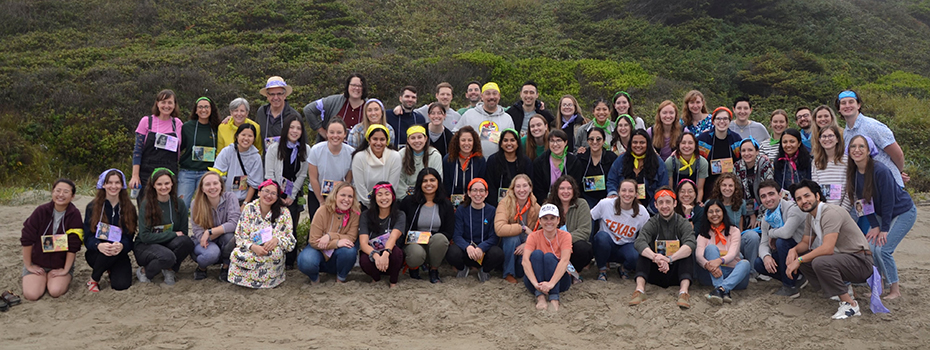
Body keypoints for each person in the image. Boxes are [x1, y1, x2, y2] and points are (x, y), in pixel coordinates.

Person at [784, 180, 874, 319]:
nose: (804, 201)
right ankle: (841, 291)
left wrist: (799, 260)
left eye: (807, 196)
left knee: (819, 262)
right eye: (799, 199)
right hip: (843, 259)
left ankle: (850, 304)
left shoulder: (830, 213)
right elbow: (805, 243)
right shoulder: (811, 216)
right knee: (804, 256)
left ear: (817, 196)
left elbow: (827, 248)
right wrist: (794, 251)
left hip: (860, 261)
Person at [846, 135, 916, 300]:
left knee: (883, 249)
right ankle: (879, 286)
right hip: (879, 215)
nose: (857, 150)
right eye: (853, 147)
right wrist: (874, 226)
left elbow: (888, 201)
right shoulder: (854, 173)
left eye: (861, 146)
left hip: (902, 211)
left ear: (869, 150)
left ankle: (894, 288)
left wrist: (883, 229)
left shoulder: (880, 170)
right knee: (870, 248)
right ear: (848, 152)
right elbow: (862, 202)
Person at [628, 188, 695, 309]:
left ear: (675, 203)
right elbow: (639, 241)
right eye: (661, 202)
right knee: (643, 252)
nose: (665, 206)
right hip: (656, 269)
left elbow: (690, 243)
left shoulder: (682, 222)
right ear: (655, 205)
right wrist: (655, 258)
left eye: (668, 202)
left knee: (687, 254)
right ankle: (640, 290)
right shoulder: (652, 222)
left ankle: (684, 292)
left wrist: (669, 259)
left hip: (676, 270)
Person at [21, 179, 83, 301]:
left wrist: (65, 269)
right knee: (31, 295)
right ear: (52, 192)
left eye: (66, 192)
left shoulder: (74, 214)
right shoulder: (41, 211)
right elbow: (27, 238)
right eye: (58, 190)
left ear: (72, 196)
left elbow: (74, 245)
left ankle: (53, 278)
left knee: (55, 291)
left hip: (60, 264)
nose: (61, 195)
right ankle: (40, 278)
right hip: (38, 262)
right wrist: (29, 265)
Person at [227, 180, 296, 288]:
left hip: (271, 249)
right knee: (237, 253)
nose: (269, 196)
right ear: (259, 192)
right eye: (266, 191)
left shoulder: (284, 212)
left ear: (277, 197)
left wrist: (277, 240)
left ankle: (267, 282)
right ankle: (243, 280)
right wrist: (253, 247)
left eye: (273, 193)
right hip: (251, 247)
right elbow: (240, 236)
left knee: (273, 254)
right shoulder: (249, 208)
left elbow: (290, 239)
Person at [264, 115, 310, 268]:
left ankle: (290, 261)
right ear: (286, 129)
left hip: (292, 195)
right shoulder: (274, 148)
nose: (295, 131)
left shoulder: (306, 149)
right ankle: (270, 256)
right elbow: (269, 174)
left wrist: (291, 196)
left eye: (298, 128)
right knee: (272, 224)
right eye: (292, 127)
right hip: (273, 193)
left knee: (289, 226)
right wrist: (278, 196)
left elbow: (302, 175)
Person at [134, 168, 194, 285]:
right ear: (153, 185)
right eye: (159, 184)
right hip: (145, 246)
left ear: (172, 183)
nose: (163, 187)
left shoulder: (179, 203)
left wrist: (173, 236)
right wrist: (172, 234)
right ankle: (144, 271)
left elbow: (183, 232)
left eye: (167, 183)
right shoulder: (146, 204)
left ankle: (169, 269)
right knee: (167, 257)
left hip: (166, 243)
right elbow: (145, 236)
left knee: (187, 242)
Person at [838, 90, 907, 187]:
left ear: (858, 105)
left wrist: (899, 172)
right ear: (839, 109)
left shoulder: (872, 126)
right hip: (869, 186)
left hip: (888, 184)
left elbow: (897, 153)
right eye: (843, 103)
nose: (847, 105)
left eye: (851, 102)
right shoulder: (846, 132)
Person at [83, 170, 137, 292]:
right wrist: (99, 245)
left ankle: (110, 270)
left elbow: (130, 237)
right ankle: (94, 279)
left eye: (117, 183)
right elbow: (87, 238)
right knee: (106, 251)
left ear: (122, 185)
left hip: (119, 253)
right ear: (103, 184)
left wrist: (122, 245)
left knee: (121, 285)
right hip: (97, 253)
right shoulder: (92, 207)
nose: (113, 186)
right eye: (109, 183)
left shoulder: (129, 208)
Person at [297, 182, 361, 283]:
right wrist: (336, 243)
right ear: (335, 196)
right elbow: (313, 241)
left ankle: (341, 278)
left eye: (350, 196)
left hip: (338, 252)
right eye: (343, 195)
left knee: (349, 251)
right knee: (306, 260)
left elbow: (351, 237)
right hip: (318, 250)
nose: (346, 199)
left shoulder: (355, 214)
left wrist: (330, 236)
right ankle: (314, 278)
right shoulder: (322, 211)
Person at [129, 89, 185, 200]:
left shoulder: (178, 124)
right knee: (146, 209)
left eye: (170, 102)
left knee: (167, 210)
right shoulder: (146, 121)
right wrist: (135, 176)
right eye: (163, 102)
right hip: (146, 173)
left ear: (174, 105)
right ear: (157, 104)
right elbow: (137, 151)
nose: (166, 105)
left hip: (170, 174)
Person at [754, 180, 806, 297]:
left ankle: (789, 286)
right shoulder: (766, 217)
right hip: (787, 256)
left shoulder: (793, 208)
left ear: (779, 194)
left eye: (771, 194)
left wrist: (771, 233)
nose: (768, 199)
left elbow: (786, 233)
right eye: (763, 196)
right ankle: (796, 278)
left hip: (804, 252)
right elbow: (763, 244)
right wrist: (766, 257)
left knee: (782, 242)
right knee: (759, 263)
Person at [401, 168, 454, 283]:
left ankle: (433, 270)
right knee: (416, 254)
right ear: (420, 183)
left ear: (438, 182)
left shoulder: (446, 204)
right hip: (414, 242)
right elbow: (402, 225)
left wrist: (429, 237)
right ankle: (413, 268)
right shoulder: (409, 201)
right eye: (425, 181)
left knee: (440, 239)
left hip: (434, 243)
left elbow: (449, 231)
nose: (429, 184)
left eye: (432, 180)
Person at [591, 179, 650, 281]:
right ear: (618, 192)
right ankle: (602, 270)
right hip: (606, 244)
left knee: (636, 255)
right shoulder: (605, 204)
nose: (627, 194)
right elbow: (590, 218)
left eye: (631, 191)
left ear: (636, 194)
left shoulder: (642, 212)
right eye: (624, 190)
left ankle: (624, 268)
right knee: (601, 237)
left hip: (626, 246)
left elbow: (648, 233)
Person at [695, 199, 751, 305]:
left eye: (717, 211)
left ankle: (720, 290)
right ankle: (721, 289)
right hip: (711, 275)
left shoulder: (734, 231)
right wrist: (708, 265)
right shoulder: (703, 234)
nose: (714, 214)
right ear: (706, 215)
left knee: (745, 263)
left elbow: (733, 253)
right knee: (711, 248)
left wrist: (719, 261)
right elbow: (698, 255)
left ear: (723, 213)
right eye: (710, 212)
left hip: (734, 276)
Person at [447, 178, 503, 282]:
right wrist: (467, 247)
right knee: (452, 252)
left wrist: (481, 248)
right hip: (467, 252)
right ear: (469, 192)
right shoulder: (461, 209)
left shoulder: (492, 210)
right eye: (474, 190)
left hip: (483, 253)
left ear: (486, 193)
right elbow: (457, 235)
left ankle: (484, 271)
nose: (478, 194)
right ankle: (463, 268)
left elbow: (494, 237)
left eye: (481, 191)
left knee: (497, 253)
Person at [189, 171, 240, 281]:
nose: (212, 187)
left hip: (222, 238)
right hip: (204, 241)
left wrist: (210, 231)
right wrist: (207, 235)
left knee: (231, 237)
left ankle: (226, 267)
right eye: (207, 184)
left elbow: (235, 223)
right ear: (202, 188)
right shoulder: (195, 203)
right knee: (211, 254)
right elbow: (198, 231)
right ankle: (201, 268)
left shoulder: (230, 197)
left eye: (215, 183)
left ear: (221, 185)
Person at [522, 203, 574, 311]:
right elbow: (525, 261)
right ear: (540, 221)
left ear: (558, 220)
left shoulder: (565, 236)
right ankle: (540, 297)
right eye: (545, 218)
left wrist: (551, 284)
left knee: (549, 257)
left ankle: (554, 298)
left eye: (552, 218)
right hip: (536, 280)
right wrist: (536, 284)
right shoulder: (533, 236)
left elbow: (565, 261)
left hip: (559, 281)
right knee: (537, 254)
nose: (549, 222)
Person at [606, 129, 669, 214]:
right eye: (635, 142)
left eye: (642, 142)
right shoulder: (621, 160)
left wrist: (651, 210)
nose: (638, 145)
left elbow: (663, 187)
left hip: (650, 210)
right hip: (623, 208)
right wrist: (613, 195)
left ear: (648, 144)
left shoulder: (657, 162)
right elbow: (612, 180)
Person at [357, 182, 406, 288]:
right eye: (379, 194)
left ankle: (393, 281)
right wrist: (375, 255)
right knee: (364, 259)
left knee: (397, 253)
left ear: (393, 196)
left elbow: (394, 236)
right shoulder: (366, 215)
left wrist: (386, 253)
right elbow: (363, 243)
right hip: (374, 253)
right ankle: (376, 279)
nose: (384, 198)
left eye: (387, 194)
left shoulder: (400, 215)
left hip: (390, 253)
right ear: (374, 198)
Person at [494, 174, 540, 283]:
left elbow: (540, 233)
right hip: (508, 246)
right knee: (513, 238)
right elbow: (499, 228)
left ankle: (522, 271)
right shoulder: (505, 203)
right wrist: (522, 228)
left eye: (525, 186)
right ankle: (508, 273)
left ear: (530, 188)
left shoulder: (537, 207)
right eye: (518, 186)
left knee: (521, 272)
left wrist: (527, 243)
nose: (521, 190)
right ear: (513, 189)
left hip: (526, 244)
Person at [307, 118, 355, 221]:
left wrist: (341, 198)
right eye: (332, 132)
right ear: (327, 134)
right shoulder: (316, 150)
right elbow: (313, 178)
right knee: (318, 224)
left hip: (340, 195)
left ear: (345, 134)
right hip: (317, 193)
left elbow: (348, 179)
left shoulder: (351, 152)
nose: (335, 136)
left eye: (339, 132)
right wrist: (321, 201)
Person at [178, 97, 220, 209]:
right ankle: (181, 227)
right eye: (200, 107)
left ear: (211, 109)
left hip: (207, 172)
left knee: (206, 206)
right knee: (182, 205)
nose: (203, 110)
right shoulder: (187, 127)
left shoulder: (218, 127)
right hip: (187, 172)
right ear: (196, 110)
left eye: (206, 107)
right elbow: (179, 148)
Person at [547, 176, 593, 276]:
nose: (565, 191)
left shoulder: (582, 204)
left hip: (573, 246)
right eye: (562, 188)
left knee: (584, 248)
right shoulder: (548, 205)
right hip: (553, 246)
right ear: (556, 190)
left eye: (569, 188)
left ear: (574, 190)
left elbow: (584, 231)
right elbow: (541, 229)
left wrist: (565, 241)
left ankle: (573, 273)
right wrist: (556, 242)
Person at [454, 82, 514, 158]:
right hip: (474, 162)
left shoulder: (507, 118)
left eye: (495, 94)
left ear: (499, 96)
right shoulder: (469, 115)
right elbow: (455, 134)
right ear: (482, 96)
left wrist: (487, 134)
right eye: (488, 94)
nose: (491, 97)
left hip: (499, 163)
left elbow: (513, 142)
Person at [351, 124, 402, 209]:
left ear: (387, 141)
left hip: (387, 203)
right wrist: (371, 205)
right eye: (375, 139)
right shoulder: (359, 157)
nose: (378, 143)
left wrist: (382, 202)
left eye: (382, 139)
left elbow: (392, 186)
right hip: (363, 204)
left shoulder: (395, 157)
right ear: (369, 140)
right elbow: (359, 186)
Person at [211, 123, 263, 205]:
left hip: (243, 200)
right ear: (237, 136)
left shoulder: (256, 157)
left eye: (250, 136)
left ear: (254, 139)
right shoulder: (227, 151)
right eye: (243, 135)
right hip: (224, 198)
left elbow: (254, 184)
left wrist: (245, 204)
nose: (246, 138)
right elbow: (217, 174)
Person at [696, 107, 742, 195]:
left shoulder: (736, 139)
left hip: (730, 186)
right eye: (718, 118)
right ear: (713, 121)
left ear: (730, 121)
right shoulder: (703, 139)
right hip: (708, 185)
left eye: (725, 119)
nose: (722, 121)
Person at [304, 73, 368, 136]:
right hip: (331, 145)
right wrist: (322, 132)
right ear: (348, 86)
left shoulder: (370, 106)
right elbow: (308, 109)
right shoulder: (334, 101)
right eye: (353, 85)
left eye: (360, 86)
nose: (356, 88)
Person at [531, 129, 581, 204]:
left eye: (558, 140)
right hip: (545, 202)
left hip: (568, 202)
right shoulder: (539, 162)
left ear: (565, 142)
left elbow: (576, 186)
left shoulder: (574, 162)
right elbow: (538, 189)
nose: (555, 144)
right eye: (552, 141)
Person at [442, 126, 487, 207]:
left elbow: (481, 183)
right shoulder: (448, 159)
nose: (466, 143)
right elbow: (446, 184)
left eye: (470, 140)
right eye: (463, 140)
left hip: (474, 201)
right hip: (451, 203)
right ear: (458, 142)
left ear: (474, 142)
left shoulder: (480, 160)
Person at [486, 128, 532, 207]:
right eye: (505, 140)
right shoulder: (492, 160)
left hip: (521, 204)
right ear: (501, 143)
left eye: (512, 140)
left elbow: (530, 185)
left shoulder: (526, 161)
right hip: (497, 205)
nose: (509, 143)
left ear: (518, 143)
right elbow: (490, 186)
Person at [254, 76, 301, 151]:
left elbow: (302, 143)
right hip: (266, 160)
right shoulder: (261, 112)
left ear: (284, 95)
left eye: (279, 94)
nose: (276, 98)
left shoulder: (294, 115)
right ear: (267, 96)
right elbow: (252, 131)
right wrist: (231, 120)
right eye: (272, 94)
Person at [734, 138, 774, 225]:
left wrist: (760, 217)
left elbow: (769, 191)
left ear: (757, 151)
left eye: (750, 150)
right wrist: (751, 214)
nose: (746, 153)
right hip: (746, 208)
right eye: (743, 151)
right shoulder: (737, 167)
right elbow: (738, 193)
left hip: (766, 205)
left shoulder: (765, 164)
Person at [397, 124, 443, 200]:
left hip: (428, 196)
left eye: (419, 137)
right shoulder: (400, 155)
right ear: (408, 140)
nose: (417, 141)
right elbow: (399, 180)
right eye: (413, 138)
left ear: (425, 138)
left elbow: (438, 179)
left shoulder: (434, 155)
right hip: (406, 198)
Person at [577, 127, 618, 208]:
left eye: (598, 139)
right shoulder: (581, 158)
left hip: (607, 199)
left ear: (603, 141)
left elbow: (615, 179)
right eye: (591, 139)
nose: (595, 142)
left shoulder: (611, 157)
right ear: (587, 141)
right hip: (586, 199)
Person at [811, 125, 850, 209]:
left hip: (844, 210)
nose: (827, 139)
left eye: (830, 136)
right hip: (823, 209)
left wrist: (842, 211)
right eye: (824, 136)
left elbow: (850, 190)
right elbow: (816, 189)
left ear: (837, 139)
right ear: (819, 140)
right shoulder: (815, 162)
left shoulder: (847, 161)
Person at [665, 132, 708, 203]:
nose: (687, 146)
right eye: (683, 143)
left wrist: (696, 206)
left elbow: (700, 189)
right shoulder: (670, 162)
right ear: (678, 145)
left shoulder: (702, 163)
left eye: (690, 143)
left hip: (694, 198)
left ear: (695, 145)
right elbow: (670, 188)